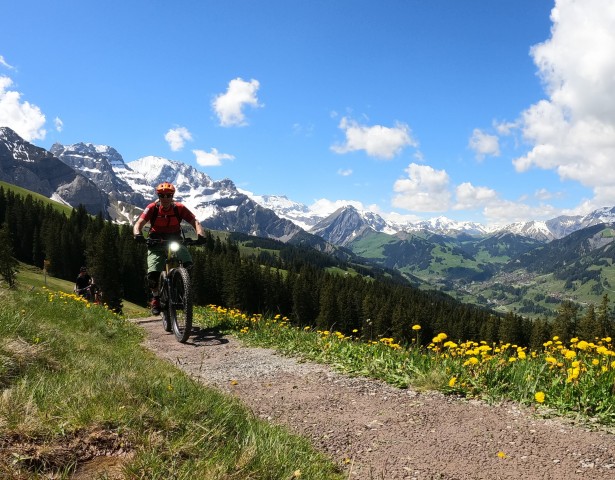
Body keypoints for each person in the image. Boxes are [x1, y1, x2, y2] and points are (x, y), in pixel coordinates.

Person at [133, 181, 205, 315]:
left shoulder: (179, 208)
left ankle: (184, 288)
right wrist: (137, 234)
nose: (165, 198)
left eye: (169, 195)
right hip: (155, 240)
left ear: (172, 196)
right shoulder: (152, 208)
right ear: (158, 196)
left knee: (188, 264)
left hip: (175, 239)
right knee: (153, 275)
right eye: (162, 195)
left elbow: (194, 221)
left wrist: (200, 234)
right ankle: (155, 298)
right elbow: (139, 223)